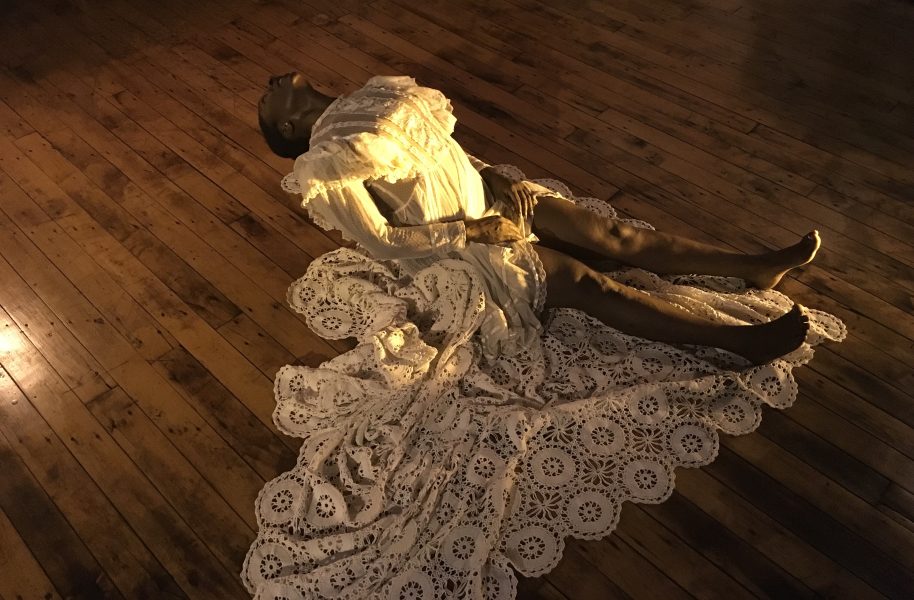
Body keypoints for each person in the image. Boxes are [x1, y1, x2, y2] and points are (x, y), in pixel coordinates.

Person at [258, 72, 820, 365]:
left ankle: (756, 266)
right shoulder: (323, 162)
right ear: (287, 129)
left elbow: (434, 153)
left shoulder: (376, 93)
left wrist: (494, 176)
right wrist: (473, 230)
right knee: (587, 284)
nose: (269, 86)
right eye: (266, 103)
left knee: (614, 235)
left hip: (483, 196)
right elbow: (382, 241)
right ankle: (739, 343)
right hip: (457, 250)